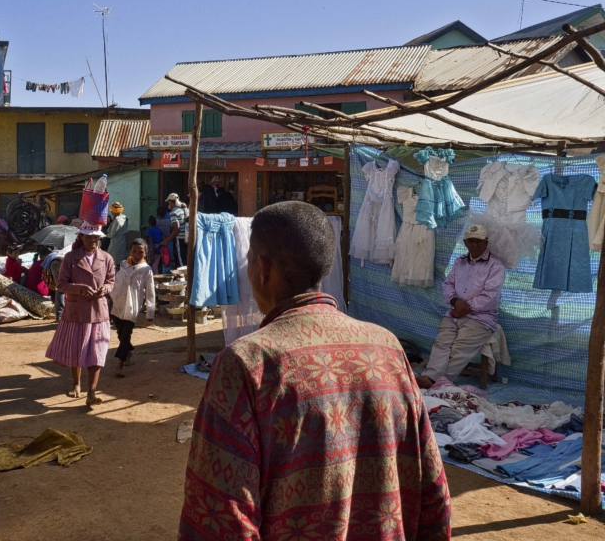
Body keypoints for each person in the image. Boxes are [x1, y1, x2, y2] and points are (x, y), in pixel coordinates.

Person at [178, 201, 451, 539]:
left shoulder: (246, 363)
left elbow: (220, 519)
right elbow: (434, 494)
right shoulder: (387, 348)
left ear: (262, 268)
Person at [416, 224, 506, 389]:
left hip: (481, 317)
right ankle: (430, 378)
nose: (475, 245)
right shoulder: (460, 262)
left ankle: (435, 382)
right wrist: (455, 302)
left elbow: (490, 296)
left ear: (486, 242)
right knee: (442, 343)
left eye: (479, 241)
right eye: (471, 241)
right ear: (465, 243)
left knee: (459, 349)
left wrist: (465, 307)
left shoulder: (495, 265)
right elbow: (447, 284)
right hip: (454, 312)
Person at [45, 223, 115, 407]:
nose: (94, 241)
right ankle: (76, 384)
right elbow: (61, 284)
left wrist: (105, 289)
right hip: (76, 312)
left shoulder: (107, 258)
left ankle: (91, 392)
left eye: (97, 238)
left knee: (97, 353)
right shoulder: (70, 258)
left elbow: (111, 281)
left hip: (98, 312)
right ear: (81, 237)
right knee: (77, 350)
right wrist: (79, 289)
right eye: (90, 237)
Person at [110, 238, 155, 378]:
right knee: (120, 334)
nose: (137, 255)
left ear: (145, 253)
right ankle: (128, 350)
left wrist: (150, 312)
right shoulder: (123, 265)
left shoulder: (146, 270)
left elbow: (150, 292)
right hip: (118, 306)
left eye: (140, 252)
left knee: (125, 336)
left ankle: (119, 365)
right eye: (134, 251)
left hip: (132, 308)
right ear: (129, 251)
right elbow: (115, 283)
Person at [160, 193, 188, 268]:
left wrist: (167, 239)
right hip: (186, 238)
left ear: (171, 202)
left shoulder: (173, 213)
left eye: (169, 202)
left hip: (179, 239)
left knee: (181, 262)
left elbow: (177, 229)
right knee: (185, 260)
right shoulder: (183, 210)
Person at [106, 202, 129, 267]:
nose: (111, 212)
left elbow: (112, 234)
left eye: (112, 211)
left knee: (114, 260)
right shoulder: (124, 218)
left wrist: (107, 235)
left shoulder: (117, 220)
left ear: (115, 211)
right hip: (122, 241)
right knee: (121, 258)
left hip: (115, 242)